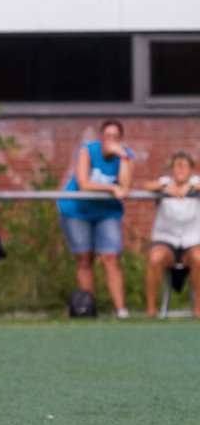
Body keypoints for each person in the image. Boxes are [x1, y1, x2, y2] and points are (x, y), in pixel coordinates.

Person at [57, 120, 134, 319]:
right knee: (84, 258)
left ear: (121, 139)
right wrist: (111, 188)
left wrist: (123, 157)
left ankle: (121, 310)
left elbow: (124, 187)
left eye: (115, 137)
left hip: (107, 212)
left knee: (110, 258)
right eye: (107, 136)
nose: (111, 141)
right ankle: (88, 309)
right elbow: (84, 183)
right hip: (77, 211)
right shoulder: (87, 150)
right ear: (101, 137)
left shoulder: (125, 155)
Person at [142, 151, 200, 317]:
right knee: (154, 257)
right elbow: (145, 186)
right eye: (177, 166)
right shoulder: (165, 183)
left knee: (199, 258)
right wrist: (164, 188)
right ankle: (151, 311)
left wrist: (192, 188)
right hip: (166, 242)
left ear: (191, 170)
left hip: (192, 242)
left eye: (184, 166)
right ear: (171, 170)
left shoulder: (196, 183)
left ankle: (198, 311)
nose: (180, 170)